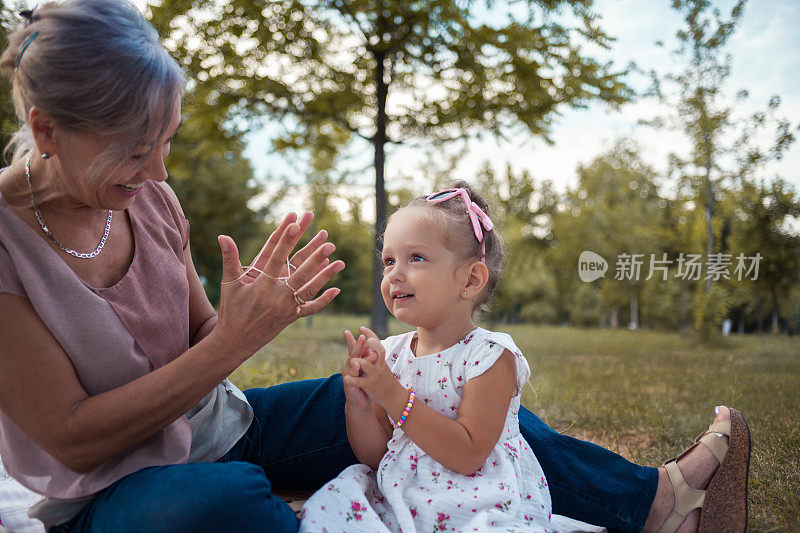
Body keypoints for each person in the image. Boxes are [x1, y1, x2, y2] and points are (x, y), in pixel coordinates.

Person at [0, 2, 749, 532]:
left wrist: (237, 324)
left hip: (224, 428)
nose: (159, 166)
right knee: (211, 501)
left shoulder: (148, 196)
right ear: (47, 131)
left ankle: (654, 500)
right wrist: (234, 341)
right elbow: (73, 437)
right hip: (115, 490)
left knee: (427, 391)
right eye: (137, 147)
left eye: (165, 139)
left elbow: (203, 346)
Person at [299, 185, 602, 531]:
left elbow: (470, 454)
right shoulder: (394, 352)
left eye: (416, 258)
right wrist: (360, 406)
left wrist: (394, 395)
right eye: (388, 261)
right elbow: (379, 455)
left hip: (476, 499)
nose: (395, 273)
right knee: (336, 507)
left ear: (471, 279)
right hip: (403, 494)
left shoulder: (488, 356)